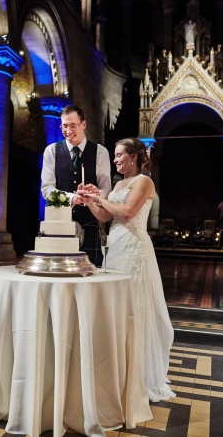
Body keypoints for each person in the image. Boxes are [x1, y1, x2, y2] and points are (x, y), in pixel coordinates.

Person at [78, 137, 175, 403]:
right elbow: (105, 217)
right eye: (114, 156)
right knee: (116, 308)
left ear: (134, 156)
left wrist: (100, 197)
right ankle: (118, 368)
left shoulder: (144, 181)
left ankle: (139, 373)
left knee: (136, 307)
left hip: (135, 248)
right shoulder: (119, 183)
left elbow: (128, 212)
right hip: (116, 248)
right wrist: (89, 199)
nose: (116, 159)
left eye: (120, 155)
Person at [41, 105, 112, 265]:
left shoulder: (101, 152)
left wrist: (96, 194)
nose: (68, 130)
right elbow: (47, 189)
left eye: (73, 125)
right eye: (64, 126)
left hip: (90, 222)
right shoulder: (51, 151)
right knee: (57, 271)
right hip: (58, 222)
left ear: (84, 125)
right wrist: (73, 198)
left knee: (90, 273)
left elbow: (106, 188)